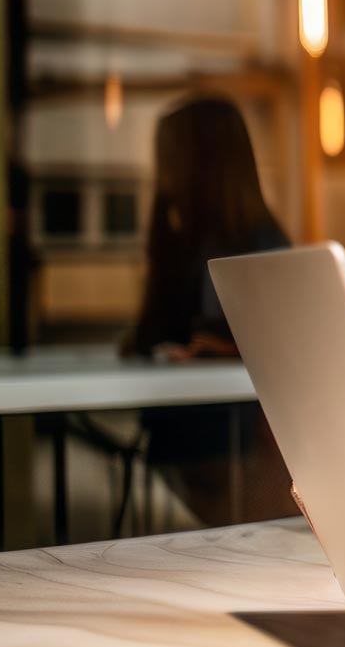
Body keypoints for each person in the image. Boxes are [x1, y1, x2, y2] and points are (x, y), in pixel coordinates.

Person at [125, 96, 293, 526]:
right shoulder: (190, 244)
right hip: (193, 429)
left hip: (237, 438)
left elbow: (285, 356)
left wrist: (219, 350)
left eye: (169, 156)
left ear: (201, 162)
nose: (161, 172)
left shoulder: (258, 249)